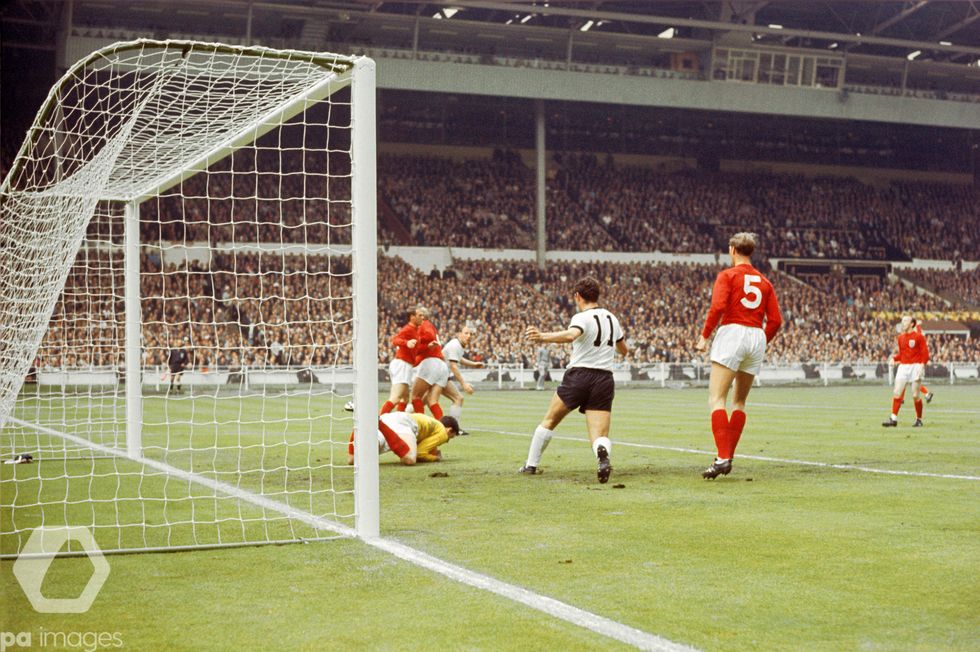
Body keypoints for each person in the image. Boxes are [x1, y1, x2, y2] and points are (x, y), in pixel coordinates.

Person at [520, 276, 627, 484]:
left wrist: (542, 336)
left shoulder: (582, 317)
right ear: (597, 295)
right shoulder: (612, 318)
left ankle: (530, 465)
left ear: (577, 296)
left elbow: (571, 335)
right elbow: (623, 350)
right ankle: (602, 453)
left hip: (579, 376)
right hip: (604, 378)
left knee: (549, 420)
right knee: (599, 435)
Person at [695, 232, 782, 479]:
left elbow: (718, 306)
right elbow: (776, 320)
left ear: (732, 249)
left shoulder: (728, 275)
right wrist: (762, 340)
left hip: (733, 332)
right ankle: (726, 456)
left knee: (716, 399)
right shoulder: (765, 282)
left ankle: (722, 457)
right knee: (739, 402)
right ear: (750, 251)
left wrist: (704, 336)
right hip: (756, 336)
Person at [347, 412, 460, 465]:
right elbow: (420, 452)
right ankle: (375, 422)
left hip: (388, 418)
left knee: (354, 460)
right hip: (404, 423)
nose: (446, 441)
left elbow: (423, 444)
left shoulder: (433, 424)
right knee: (410, 459)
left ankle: (359, 421)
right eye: (450, 438)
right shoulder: (442, 431)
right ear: (449, 430)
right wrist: (435, 458)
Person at [882, 315, 929, 428]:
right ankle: (893, 419)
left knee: (915, 395)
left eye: (905, 321)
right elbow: (902, 354)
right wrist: (894, 359)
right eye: (902, 321)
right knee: (897, 392)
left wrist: (922, 366)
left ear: (912, 323)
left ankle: (919, 419)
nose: (902, 323)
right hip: (903, 367)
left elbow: (925, 354)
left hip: (916, 366)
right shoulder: (901, 338)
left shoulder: (919, 337)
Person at [379, 307, 425, 415]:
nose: (422, 318)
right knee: (396, 398)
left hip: (405, 365)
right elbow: (395, 340)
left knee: (404, 398)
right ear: (412, 317)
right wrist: (406, 343)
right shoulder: (408, 329)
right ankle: (378, 422)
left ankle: (398, 421)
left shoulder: (415, 330)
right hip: (402, 364)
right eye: (420, 315)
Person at [438, 325, 485, 424]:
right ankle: (453, 427)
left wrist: (474, 364)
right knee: (458, 398)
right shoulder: (455, 345)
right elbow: (453, 366)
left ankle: (405, 415)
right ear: (459, 334)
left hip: (438, 374)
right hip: (439, 375)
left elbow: (459, 358)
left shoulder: (457, 344)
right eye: (466, 333)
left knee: (423, 400)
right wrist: (464, 384)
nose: (469, 336)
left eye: (471, 334)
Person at [410, 307, 448, 419]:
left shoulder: (424, 324)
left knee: (416, 397)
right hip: (441, 364)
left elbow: (429, 336)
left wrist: (417, 342)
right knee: (432, 401)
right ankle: (442, 427)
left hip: (431, 363)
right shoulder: (430, 325)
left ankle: (421, 426)